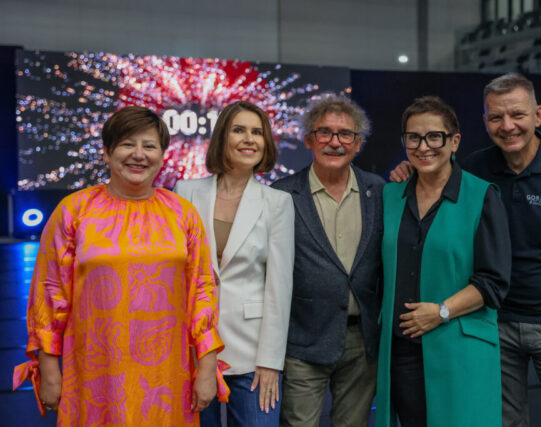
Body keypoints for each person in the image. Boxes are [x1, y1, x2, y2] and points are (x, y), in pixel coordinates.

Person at [390, 73, 541, 426]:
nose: (507, 126)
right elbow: (433, 173)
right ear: (485, 122)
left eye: (517, 114)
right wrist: (409, 169)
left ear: (538, 115)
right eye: (496, 117)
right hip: (492, 323)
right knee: (502, 422)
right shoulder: (475, 168)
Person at [13, 106, 229, 426]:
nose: (138, 154)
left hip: (168, 374)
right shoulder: (74, 210)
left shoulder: (182, 213)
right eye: (127, 144)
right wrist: (48, 369)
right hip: (93, 372)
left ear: (162, 155)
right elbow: (49, 292)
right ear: (107, 152)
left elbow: (202, 292)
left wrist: (208, 368)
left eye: (149, 146)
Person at [377, 96, 510, 427]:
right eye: (414, 137)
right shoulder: (391, 195)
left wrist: (441, 311)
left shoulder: (482, 196)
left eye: (434, 137)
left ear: (454, 141)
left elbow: (493, 282)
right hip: (403, 352)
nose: (424, 147)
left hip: (459, 347)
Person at [174, 101, 294, 426]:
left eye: (257, 132)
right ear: (222, 137)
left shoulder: (278, 203)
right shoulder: (185, 192)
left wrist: (271, 362)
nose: (249, 139)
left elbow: (279, 288)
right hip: (193, 349)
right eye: (239, 130)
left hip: (253, 354)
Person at [272, 95, 384, 427]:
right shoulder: (281, 194)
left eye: (345, 134)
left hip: (362, 343)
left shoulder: (379, 191)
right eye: (324, 132)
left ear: (358, 144)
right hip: (303, 339)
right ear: (308, 140)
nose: (335, 142)